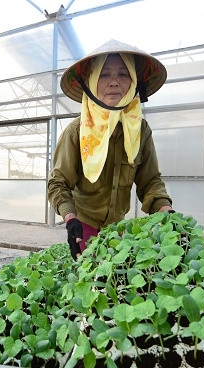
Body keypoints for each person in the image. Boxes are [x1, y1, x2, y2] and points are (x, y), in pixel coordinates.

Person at [48, 39, 174, 260]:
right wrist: (70, 219)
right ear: (91, 81)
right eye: (104, 75)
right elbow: (58, 183)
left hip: (118, 227)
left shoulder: (140, 130)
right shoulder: (76, 131)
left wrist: (165, 210)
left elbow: (150, 180)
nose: (114, 82)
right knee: (88, 282)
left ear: (134, 82)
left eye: (123, 75)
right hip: (83, 225)